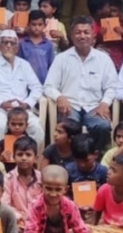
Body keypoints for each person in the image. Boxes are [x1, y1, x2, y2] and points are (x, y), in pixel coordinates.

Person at [44, 16, 118, 149]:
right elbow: (49, 86)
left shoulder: (104, 59)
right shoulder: (61, 58)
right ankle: (70, 157)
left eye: (86, 32)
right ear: (72, 36)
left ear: (93, 35)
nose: (82, 36)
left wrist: (105, 103)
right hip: (70, 106)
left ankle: (94, 156)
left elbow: (112, 86)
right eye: (78, 32)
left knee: (103, 126)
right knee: (67, 127)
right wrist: (59, 97)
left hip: (94, 106)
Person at [0, 30, 43, 144]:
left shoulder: (24, 65)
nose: (9, 46)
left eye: (12, 43)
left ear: (17, 48)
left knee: (36, 127)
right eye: (5, 43)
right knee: (0, 125)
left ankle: (28, 153)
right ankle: (0, 154)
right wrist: (0, 103)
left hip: (21, 109)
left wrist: (27, 103)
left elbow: (37, 87)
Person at [1, 137, 43, 227]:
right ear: (13, 157)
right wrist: (19, 217)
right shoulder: (8, 179)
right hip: (17, 223)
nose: (24, 158)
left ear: (36, 158)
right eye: (20, 154)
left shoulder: (42, 178)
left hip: (39, 222)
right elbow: (4, 204)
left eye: (28, 155)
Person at [17, 10, 55, 83]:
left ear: (45, 25)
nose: (37, 27)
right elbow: (18, 65)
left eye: (40, 24)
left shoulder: (48, 44)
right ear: (28, 25)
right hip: (25, 82)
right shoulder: (22, 43)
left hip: (43, 82)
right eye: (33, 24)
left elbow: (51, 66)